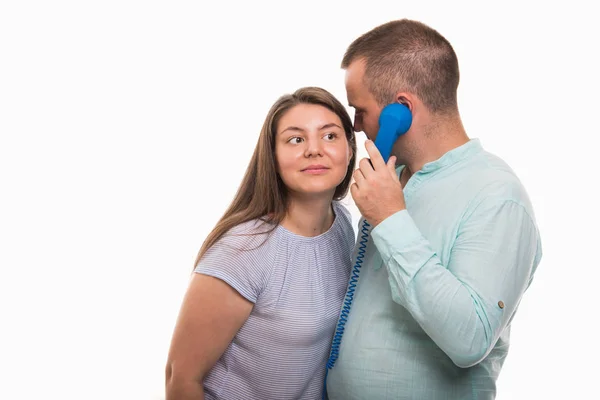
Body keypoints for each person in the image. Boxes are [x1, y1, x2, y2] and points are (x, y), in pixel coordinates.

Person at [325, 19, 543, 399]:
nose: (356, 126)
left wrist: (391, 219)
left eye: (360, 110)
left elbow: (469, 339)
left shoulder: (496, 195)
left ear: (402, 111)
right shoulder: (393, 180)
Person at [165, 86, 357, 400]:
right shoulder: (243, 250)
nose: (314, 149)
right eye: (296, 139)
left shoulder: (343, 225)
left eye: (330, 136)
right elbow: (181, 378)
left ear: (349, 149)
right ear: (273, 155)